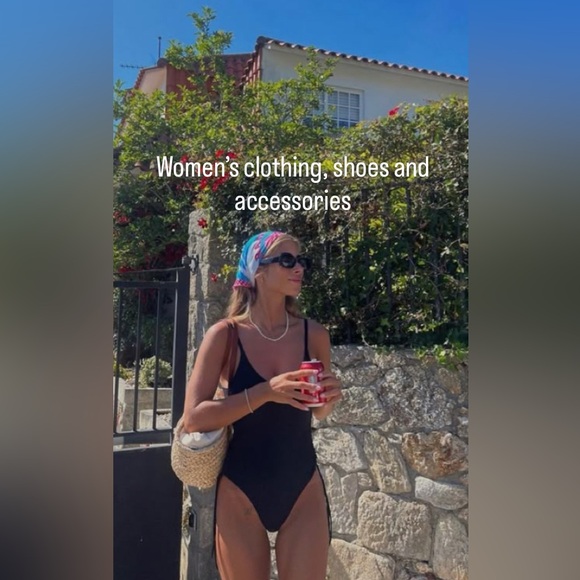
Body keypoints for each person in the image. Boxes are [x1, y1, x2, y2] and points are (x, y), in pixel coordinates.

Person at [183, 230, 342, 580]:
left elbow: (318, 411)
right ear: (257, 270)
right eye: (287, 260)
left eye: (301, 260)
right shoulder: (226, 335)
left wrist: (328, 399)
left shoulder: (314, 334)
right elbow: (193, 418)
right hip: (241, 488)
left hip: (302, 486)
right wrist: (266, 391)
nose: (299, 268)